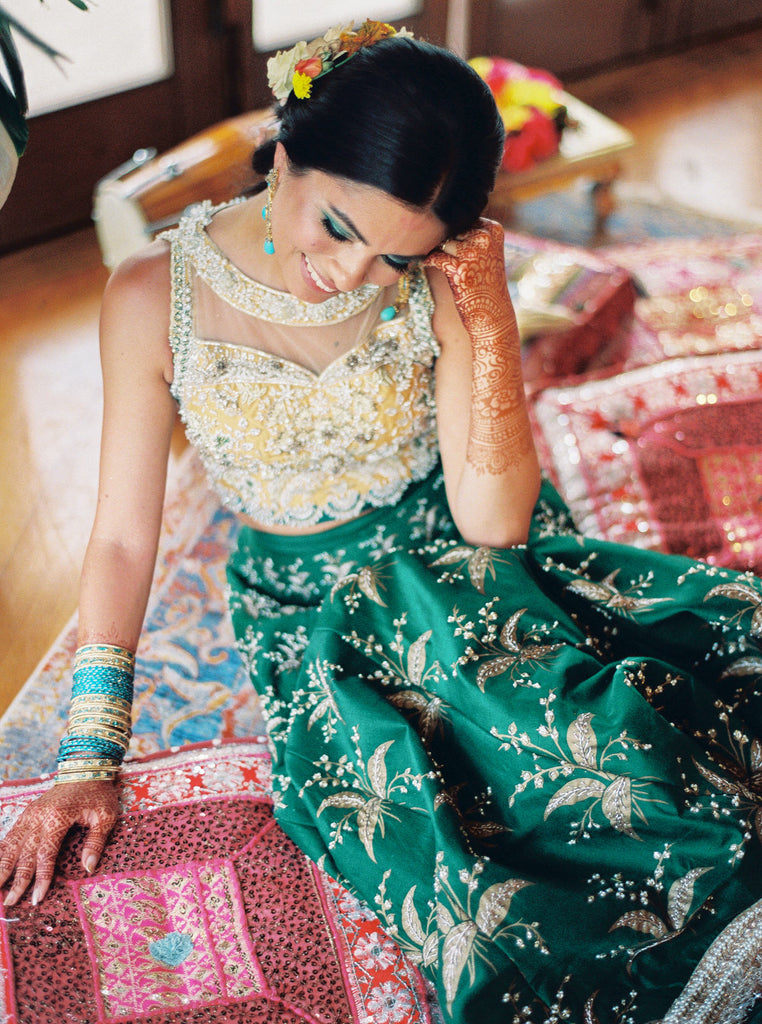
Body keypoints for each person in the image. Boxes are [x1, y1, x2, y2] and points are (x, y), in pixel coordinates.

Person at [1, 19, 761, 1024]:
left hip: (453, 544)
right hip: (312, 607)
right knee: (434, 824)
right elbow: (122, 538)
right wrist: (88, 752)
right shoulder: (154, 294)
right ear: (283, 153)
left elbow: (492, 522)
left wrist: (483, 317)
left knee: (602, 728)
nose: (354, 276)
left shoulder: (438, 284)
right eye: (338, 227)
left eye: (398, 259)